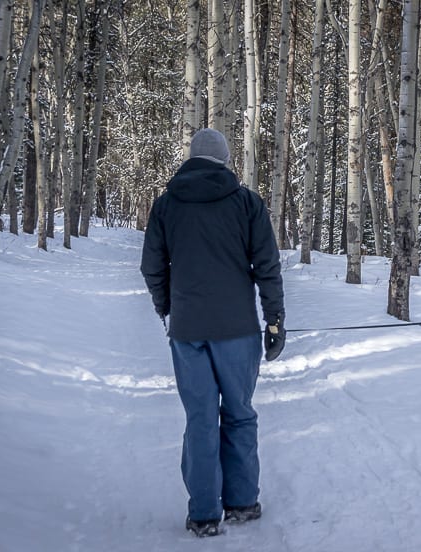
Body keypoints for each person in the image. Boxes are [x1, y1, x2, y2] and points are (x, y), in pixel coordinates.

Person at [140, 128, 285, 538]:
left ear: (191, 159)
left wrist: (167, 307)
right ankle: (242, 503)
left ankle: (204, 513)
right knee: (239, 414)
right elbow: (267, 268)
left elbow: (152, 266)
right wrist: (274, 320)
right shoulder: (247, 204)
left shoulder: (167, 205)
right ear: (224, 160)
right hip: (238, 331)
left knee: (201, 417)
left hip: (188, 332)